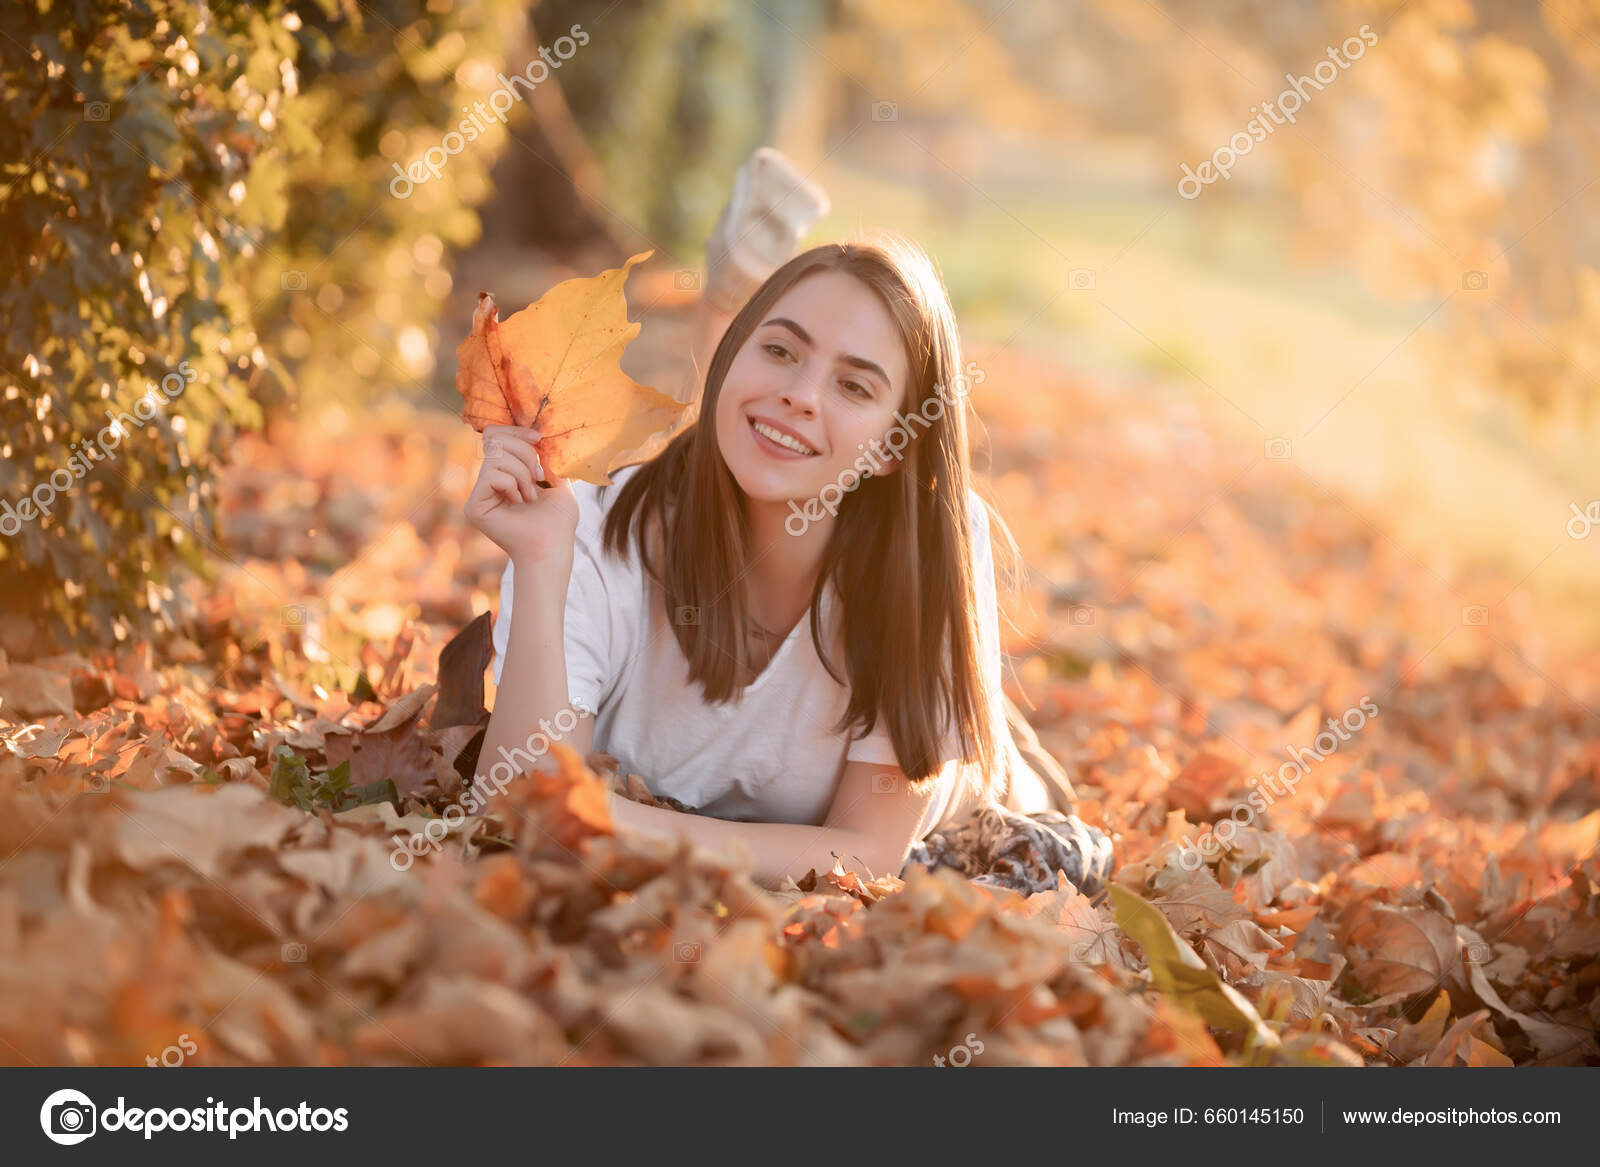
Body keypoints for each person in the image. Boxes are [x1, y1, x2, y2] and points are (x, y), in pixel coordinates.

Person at [468, 153, 1112, 896]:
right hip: (695, 510)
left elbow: (867, 855)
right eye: (778, 349)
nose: (803, 394)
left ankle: (740, 299)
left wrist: (609, 823)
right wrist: (542, 563)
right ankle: (737, 303)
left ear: (896, 448)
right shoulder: (582, 529)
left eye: (853, 384)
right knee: (739, 440)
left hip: (973, 792)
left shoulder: (934, 548)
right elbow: (513, 811)